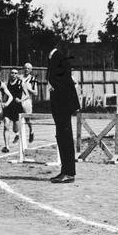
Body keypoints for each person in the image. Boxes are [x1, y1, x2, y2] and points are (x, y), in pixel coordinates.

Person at [47, 43, 80, 184]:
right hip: (62, 105)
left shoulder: (57, 57)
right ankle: (65, 171)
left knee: (65, 138)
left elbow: (62, 80)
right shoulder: (57, 57)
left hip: (62, 106)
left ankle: (68, 172)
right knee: (62, 137)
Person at [3, 69, 28, 150]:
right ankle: (7, 146)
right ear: (10, 74)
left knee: (15, 128)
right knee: (6, 125)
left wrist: (21, 100)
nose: (13, 74)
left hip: (17, 107)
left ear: (17, 75)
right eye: (12, 73)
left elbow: (27, 95)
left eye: (15, 73)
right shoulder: (7, 83)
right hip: (8, 107)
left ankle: (17, 134)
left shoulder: (21, 83)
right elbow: (5, 94)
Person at [20, 62, 38, 143]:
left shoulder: (33, 79)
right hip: (19, 99)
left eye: (28, 68)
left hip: (27, 101)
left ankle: (31, 131)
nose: (26, 70)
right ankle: (19, 135)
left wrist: (28, 88)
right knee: (17, 118)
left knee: (28, 119)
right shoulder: (20, 77)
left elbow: (35, 93)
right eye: (25, 68)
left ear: (31, 70)